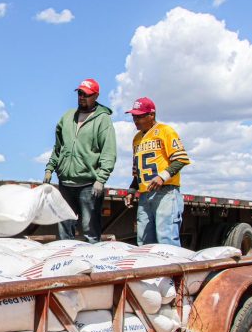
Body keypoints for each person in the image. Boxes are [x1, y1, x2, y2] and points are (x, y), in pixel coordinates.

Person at [43, 78, 117, 243]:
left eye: (86, 94)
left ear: (96, 96)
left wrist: (101, 179)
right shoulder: (67, 117)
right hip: (65, 184)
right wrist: (49, 169)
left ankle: (93, 257)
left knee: (90, 230)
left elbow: (109, 152)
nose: (82, 97)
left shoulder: (102, 119)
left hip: (89, 185)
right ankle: (65, 257)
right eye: (80, 93)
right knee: (64, 229)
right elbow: (58, 147)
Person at [122, 97, 191, 246]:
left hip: (165, 191)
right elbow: (138, 171)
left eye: (139, 116)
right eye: (134, 116)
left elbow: (181, 159)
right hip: (144, 194)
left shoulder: (165, 131)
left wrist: (162, 177)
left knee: (166, 239)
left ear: (151, 115)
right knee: (144, 242)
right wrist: (132, 190)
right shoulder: (136, 138)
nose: (135, 120)